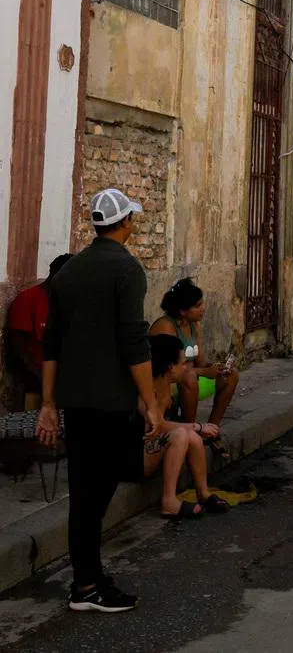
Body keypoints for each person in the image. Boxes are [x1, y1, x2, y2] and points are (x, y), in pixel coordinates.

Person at [37, 188, 161, 613]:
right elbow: (134, 342)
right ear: (125, 222)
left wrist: (48, 403)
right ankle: (87, 587)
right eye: (133, 218)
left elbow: (50, 342)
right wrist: (151, 402)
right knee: (94, 497)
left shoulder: (69, 272)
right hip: (112, 404)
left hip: (76, 403)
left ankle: (87, 577)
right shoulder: (127, 269)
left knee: (85, 494)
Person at [145, 334, 230, 520]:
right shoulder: (147, 390)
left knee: (191, 436)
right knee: (181, 435)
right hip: (134, 457)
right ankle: (169, 501)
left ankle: (203, 493)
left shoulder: (165, 384)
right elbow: (159, 425)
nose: (186, 367)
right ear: (169, 368)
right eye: (182, 363)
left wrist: (196, 429)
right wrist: (197, 426)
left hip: (149, 448)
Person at [150, 278, 240, 433]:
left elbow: (201, 360)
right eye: (197, 306)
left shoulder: (194, 325)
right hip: (169, 382)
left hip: (190, 377)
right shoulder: (166, 326)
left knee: (231, 375)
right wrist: (203, 372)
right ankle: (190, 429)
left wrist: (215, 367)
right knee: (190, 377)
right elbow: (167, 369)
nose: (203, 309)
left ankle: (212, 428)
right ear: (183, 310)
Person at [5, 252, 70, 409]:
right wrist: (44, 379)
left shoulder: (67, 301)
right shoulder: (28, 299)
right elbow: (18, 348)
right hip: (35, 375)